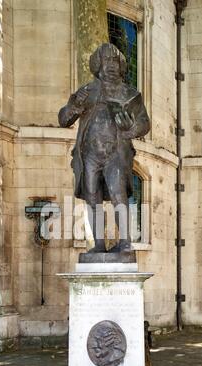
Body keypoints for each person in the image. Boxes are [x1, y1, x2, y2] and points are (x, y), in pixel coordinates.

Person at [58, 43, 150, 253]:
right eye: (107, 60)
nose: (111, 65)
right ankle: (98, 245)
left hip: (115, 153)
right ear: (98, 64)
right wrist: (74, 106)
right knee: (92, 197)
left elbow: (145, 123)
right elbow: (63, 119)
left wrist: (131, 128)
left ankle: (125, 243)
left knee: (119, 195)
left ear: (121, 66)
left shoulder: (130, 93)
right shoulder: (87, 92)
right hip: (88, 155)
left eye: (115, 61)